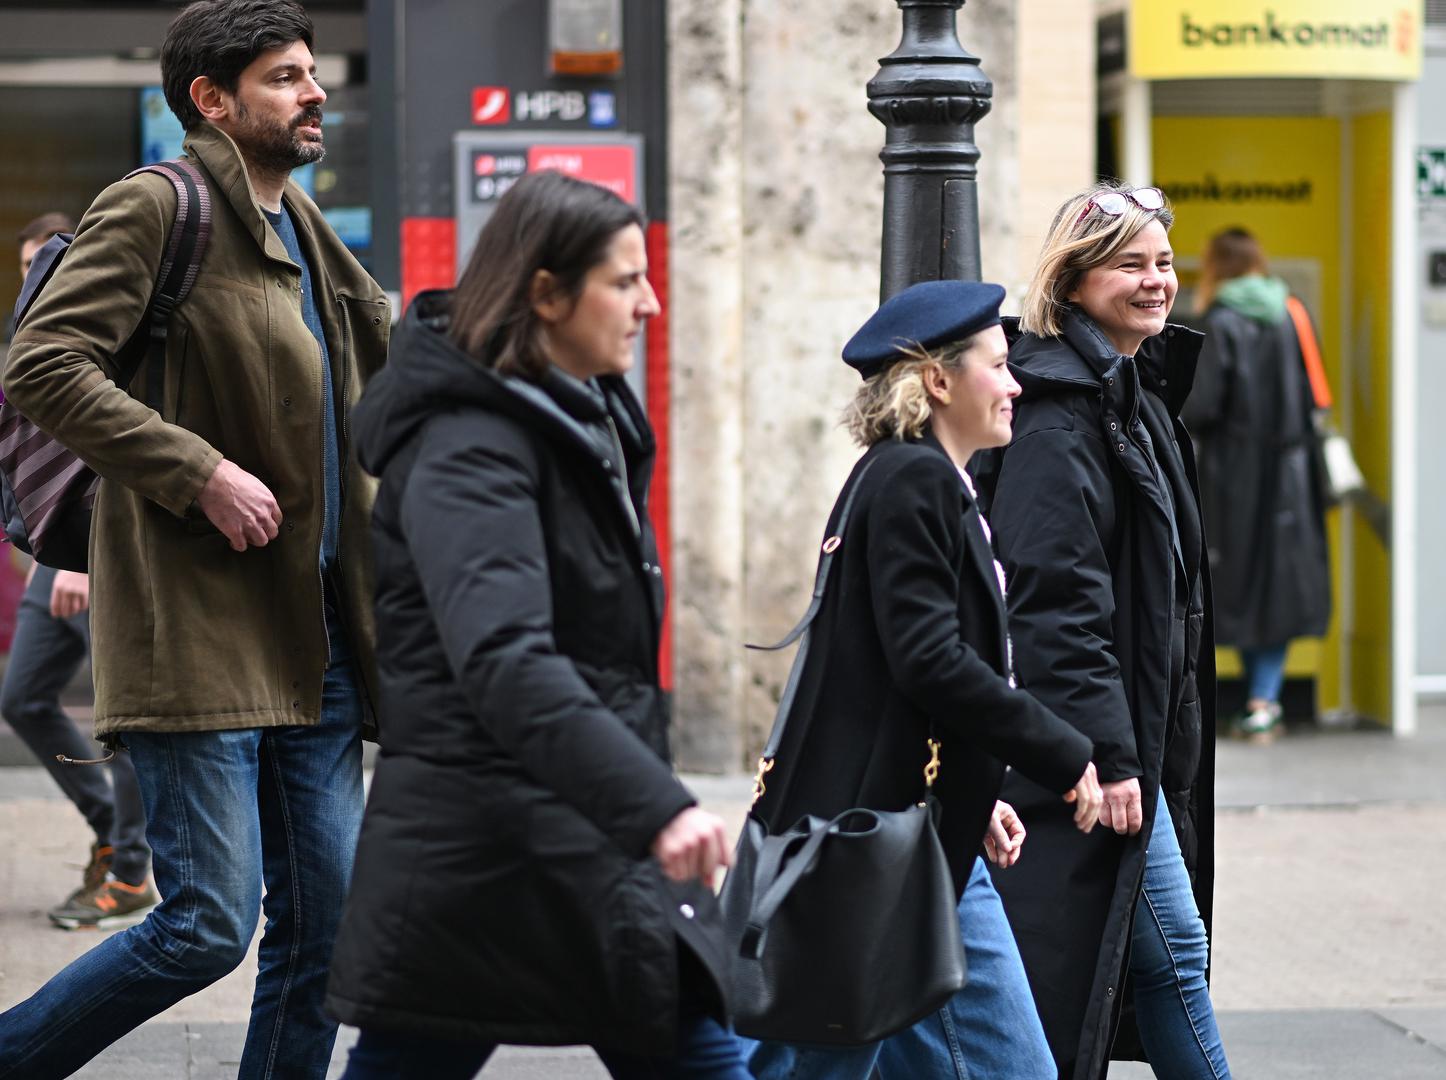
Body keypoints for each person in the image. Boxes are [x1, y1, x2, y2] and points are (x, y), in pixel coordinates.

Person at [0, 1, 389, 1076]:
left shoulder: (303, 229)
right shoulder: (158, 204)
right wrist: (199, 470)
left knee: (324, 934)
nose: (314, 93)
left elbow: (383, 358)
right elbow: (40, 363)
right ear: (211, 101)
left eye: (313, 73)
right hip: (201, 630)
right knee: (207, 925)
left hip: (316, 641)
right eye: (283, 77)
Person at [324, 170, 749, 1080]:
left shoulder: (576, 416)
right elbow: (505, 657)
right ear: (547, 294)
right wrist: (656, 803)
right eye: (625, 282)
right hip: (487, 850)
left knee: (703, 1050)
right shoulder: (470, 444)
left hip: (569, 834)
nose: (652, 303)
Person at [737, 279, 1105, 1080]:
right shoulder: (915, 480)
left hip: (913, 841)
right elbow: (929, 659)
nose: (1015, 384)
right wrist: (1063, 752)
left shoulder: (911, 478)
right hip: (878, 854)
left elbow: (894, 674)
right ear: (938, 380)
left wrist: (978, 789)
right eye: (999, 365)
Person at [976, 183, 1229, 1079]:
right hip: (1103, 744)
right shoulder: (1058, 412)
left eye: (1163, 262)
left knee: (1151, 966)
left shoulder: (1132, 393)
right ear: (1074, 281)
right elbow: (1053, 599)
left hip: (1142, 732)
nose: (1156, 282)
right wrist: (1111, 756)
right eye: (1131, 264)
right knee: (1170, 958)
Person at [5, 213, 158, 930]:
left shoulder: (107, 326)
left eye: (46, 263)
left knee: (118, 713)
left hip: (108, 549)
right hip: (56, 554)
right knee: (24, 695)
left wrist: (92, 565)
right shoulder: (36, 335)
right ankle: (112, 829)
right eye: (28, 266)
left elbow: (115, 434)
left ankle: (131, 871)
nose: (34, 279)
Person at [1185, 226, 1330, 742]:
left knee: (1237, 580)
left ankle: (1237, 700)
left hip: (1233, 474)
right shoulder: (1293, 311)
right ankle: (1264, 701)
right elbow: (1318, 395)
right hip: (1291, 471)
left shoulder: (1221, 320)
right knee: (1281, 584)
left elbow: (1203, 406)